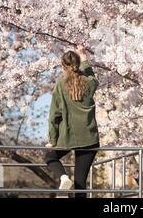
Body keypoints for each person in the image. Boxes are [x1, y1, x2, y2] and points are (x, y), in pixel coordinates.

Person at [44, 44, 100, 198]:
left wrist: (52, 140)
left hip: (68, 138)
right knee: (80, 182)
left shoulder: (60, 86)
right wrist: (83, 56)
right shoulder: (89, 83)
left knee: (50, 157)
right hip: (90, 139)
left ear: (63, 66)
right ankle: (69, 182)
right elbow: (91, 76)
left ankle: (63, 178)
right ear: (78, 64)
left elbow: (53, 115)